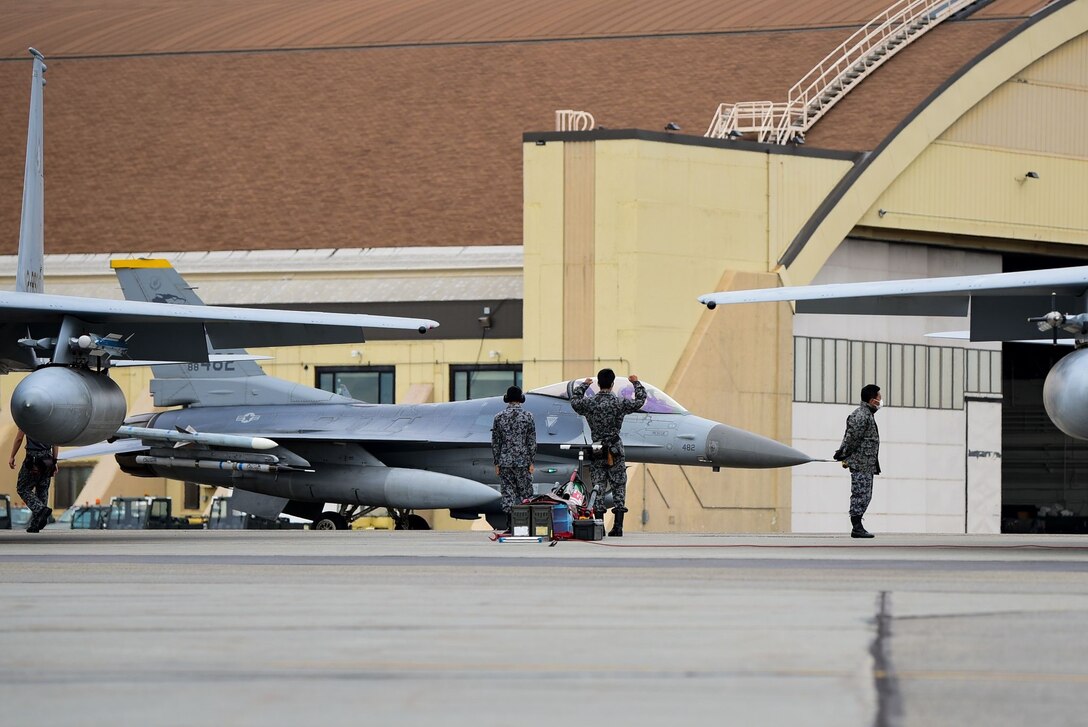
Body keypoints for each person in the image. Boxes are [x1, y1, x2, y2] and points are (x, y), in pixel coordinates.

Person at [570, 368, 646, 537]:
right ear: (612, 384)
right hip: (615, 448)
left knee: (598, 485)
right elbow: (640, 400)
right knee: (619, 484)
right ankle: (618, 527)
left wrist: (583, 385)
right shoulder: (620, 403)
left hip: (597, 449)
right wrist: (636, 383)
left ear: (598, 384)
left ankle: (599, 526)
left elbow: (575, 401)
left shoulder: (590, 403)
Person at [834, 383, 882, 539]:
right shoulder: (861, 415)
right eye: (878, 397)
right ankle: (856, 527)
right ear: (872, 399)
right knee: (860, 494)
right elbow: (852, 438)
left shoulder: (867, 414)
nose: (880, 400)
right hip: (860, 463)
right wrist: (843, 453)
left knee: (866, 495)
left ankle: (858, 526)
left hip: (867, 463)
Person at [491, 385, 537, 532]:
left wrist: (497, 462)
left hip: (505, 461)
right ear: (521, 399)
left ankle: (510, 526)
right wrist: (531, 461)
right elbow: (531, 441)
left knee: (508, 493)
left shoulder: (498, 417)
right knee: (526, 493)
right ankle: (527, 526)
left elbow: (496, 442)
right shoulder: (528, 416)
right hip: (523, 461)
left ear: (507, 399)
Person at [8, 428, 59, 534]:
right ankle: (36, 524)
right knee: (42, 489)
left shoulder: (27, 418)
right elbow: (55, 442)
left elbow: (19, 438)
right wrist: (54, 461)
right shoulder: (50, 419)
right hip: (47, 459)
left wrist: (12, 456)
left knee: (22, 488)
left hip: (33, 458)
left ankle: (40, 510)